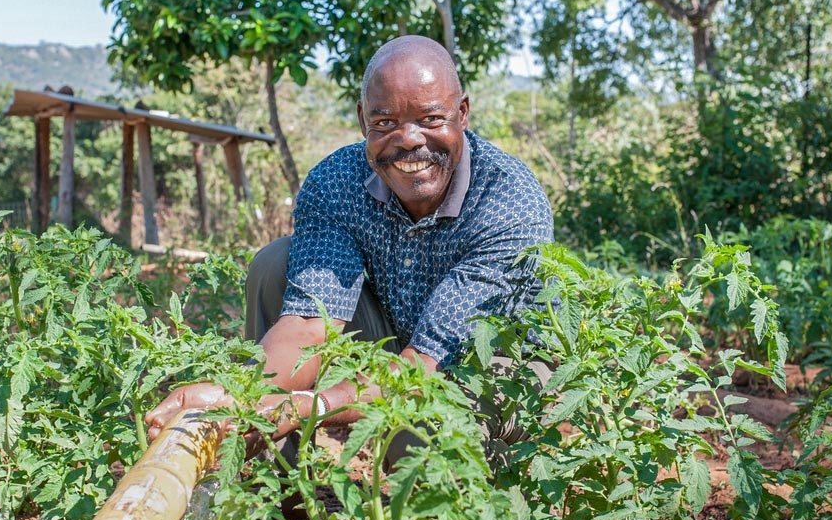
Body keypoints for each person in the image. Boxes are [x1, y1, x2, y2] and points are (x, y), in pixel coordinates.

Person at [145, 35, 553, 450]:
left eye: (430, 119)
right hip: (396, 338)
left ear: (462, 113)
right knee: (275, 265)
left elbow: (429, 361)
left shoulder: (508, 200)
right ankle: (281, 495)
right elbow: (310, 322)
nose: (408, 139)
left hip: (488, 361)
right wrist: (238, 395)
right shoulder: (337, 182)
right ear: (363, 120)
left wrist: (307, 406)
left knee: (417, 436)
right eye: (385, 123)